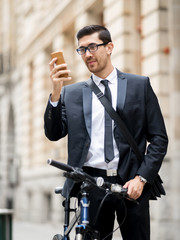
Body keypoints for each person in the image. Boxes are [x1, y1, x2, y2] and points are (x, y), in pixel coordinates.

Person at [44, 25, 168, 240]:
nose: (87, 54)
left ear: (109, 47)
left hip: (131, 184)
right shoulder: (70, 93)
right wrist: (56, 91)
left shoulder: (140, 85)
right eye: (82, 50)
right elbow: (53, 133)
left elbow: (159, 138)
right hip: (90, 185)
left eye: (93, 46)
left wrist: (142, 178)